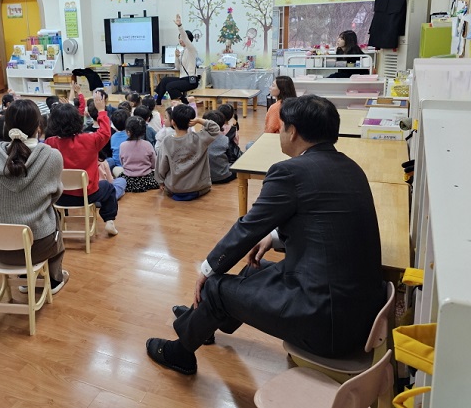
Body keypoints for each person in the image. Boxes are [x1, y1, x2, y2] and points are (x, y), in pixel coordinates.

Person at [146, 95, 385, 375]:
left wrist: (207, 268)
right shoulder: (351, 168)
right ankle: (202, 321)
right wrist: (272, 238)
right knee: (251, 272)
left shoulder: (290, 172)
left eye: (282, 126)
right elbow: (322, 225)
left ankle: (180, 353)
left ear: (293, 131)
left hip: (324, 325)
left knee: (215, 286)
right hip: (356, 314)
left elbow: (247, 228)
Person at [0, 99, 69, 294]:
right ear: (39, 125)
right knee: (54, 217)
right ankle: (54, 279)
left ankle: (24, 277)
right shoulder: (52, 156)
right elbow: (56, 195)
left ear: (6, 126)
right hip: (37, 247)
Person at [45, 91, 119, 236]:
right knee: (109, 188)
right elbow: (105, 133)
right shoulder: (89, 140)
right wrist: (102, 111)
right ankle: (109, 220)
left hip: (59, 196)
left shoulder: (50, 143)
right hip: (88, 194)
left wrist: (63, 112)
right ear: (78, 121)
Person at [155, 104, 219, 200]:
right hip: (198, 188)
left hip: (174, 189)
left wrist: (160, 181)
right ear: (191, 121)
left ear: (173, 122)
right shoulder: (200, 138)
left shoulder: (166, 141)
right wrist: (199, 120)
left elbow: (162, 166)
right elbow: (215, 128)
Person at [154, 14, 199, 105]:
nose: (180, 40)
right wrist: (177, 57)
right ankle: (158, 101)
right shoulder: (183, 52)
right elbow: (178, 68)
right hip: (183, 79)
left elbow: (185, 37)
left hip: (191, 80)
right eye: (179, 38)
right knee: (165, 80)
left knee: (170, 86)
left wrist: (179, 26)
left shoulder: (191, 49)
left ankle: (184, 101)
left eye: (181, 38)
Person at [119, 116, 160, 193]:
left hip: (128, 179)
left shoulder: (122, 145)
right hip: (146, 178)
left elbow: (122, 162)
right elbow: (154, 163)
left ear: (128, 132)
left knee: (118, 175)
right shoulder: (147, 144)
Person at [203, 110, 236, 184]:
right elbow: (231, 157)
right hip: (224, 176)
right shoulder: (225, 139)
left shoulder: (197, 138)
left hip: (205, 178)